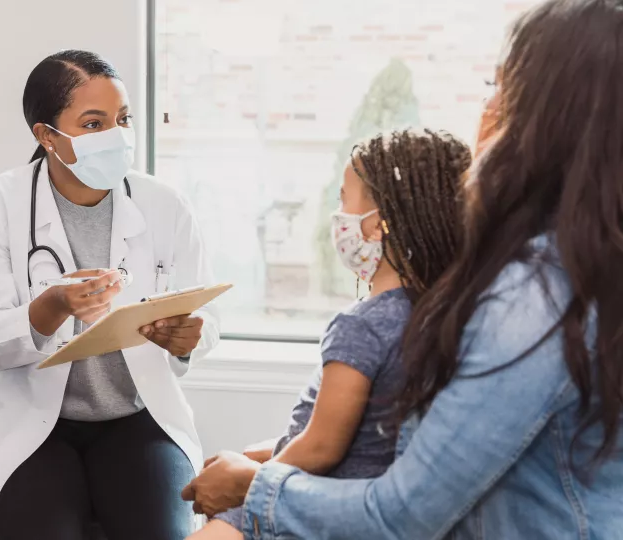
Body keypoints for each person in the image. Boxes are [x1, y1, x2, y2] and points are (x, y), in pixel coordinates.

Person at [183, 0, 623, 537]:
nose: (484, 109)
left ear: (543, 119)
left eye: (497, 87)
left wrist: (253, 488)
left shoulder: (533, 302)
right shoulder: (567, 270)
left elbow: (402, 514)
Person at [0, 50, 220, 540]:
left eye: (123, 119)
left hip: (136, 418)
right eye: (93, 123)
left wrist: (187, 338)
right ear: (46, 136)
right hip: (33, 427)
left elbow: (206, 316)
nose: (116, 136)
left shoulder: (164, 204)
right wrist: (48, 310)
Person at [183, 129, 471, 534]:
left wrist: (248, 483)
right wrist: (263, 455)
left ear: (377, 227)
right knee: (247, 453)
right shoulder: (439, 314)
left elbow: (322, 447)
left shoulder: (362, 325)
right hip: (350, 488)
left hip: (311, 501)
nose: (338, 217)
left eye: (344, 200)